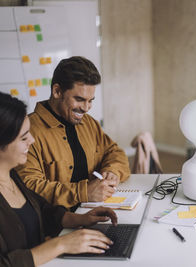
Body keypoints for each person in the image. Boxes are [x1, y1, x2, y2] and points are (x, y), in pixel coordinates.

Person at [0, 91, 118, 266]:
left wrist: (79, 219)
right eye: (23, 137)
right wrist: (61, 244)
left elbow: (41, 211)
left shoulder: (12, 175)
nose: (32, 140)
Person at [16, 56, 130, 209]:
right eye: (79, 99)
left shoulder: (89, 123)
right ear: (57, 91)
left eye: (91, 100)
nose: (86, 108)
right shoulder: (27, 131)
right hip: (58, 224)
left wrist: (112, 171)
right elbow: (28, 187)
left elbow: (114, 152)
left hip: (95, 209)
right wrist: (82, 192)